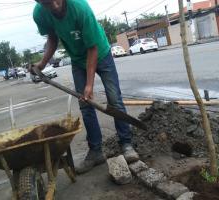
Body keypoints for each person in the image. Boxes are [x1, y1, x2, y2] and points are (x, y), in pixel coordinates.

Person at [32, 0, 139, 174]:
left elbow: (92, 48)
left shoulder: (80, 7)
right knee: (85, 105)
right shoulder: (40, 14)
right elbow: (52, 37)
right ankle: (96, 151)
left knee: (114, 100)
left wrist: (89, 85)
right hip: (77, 59)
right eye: (47, 3)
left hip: (101, 53)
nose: (55, 5)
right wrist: (42, 63)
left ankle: (126, 144)